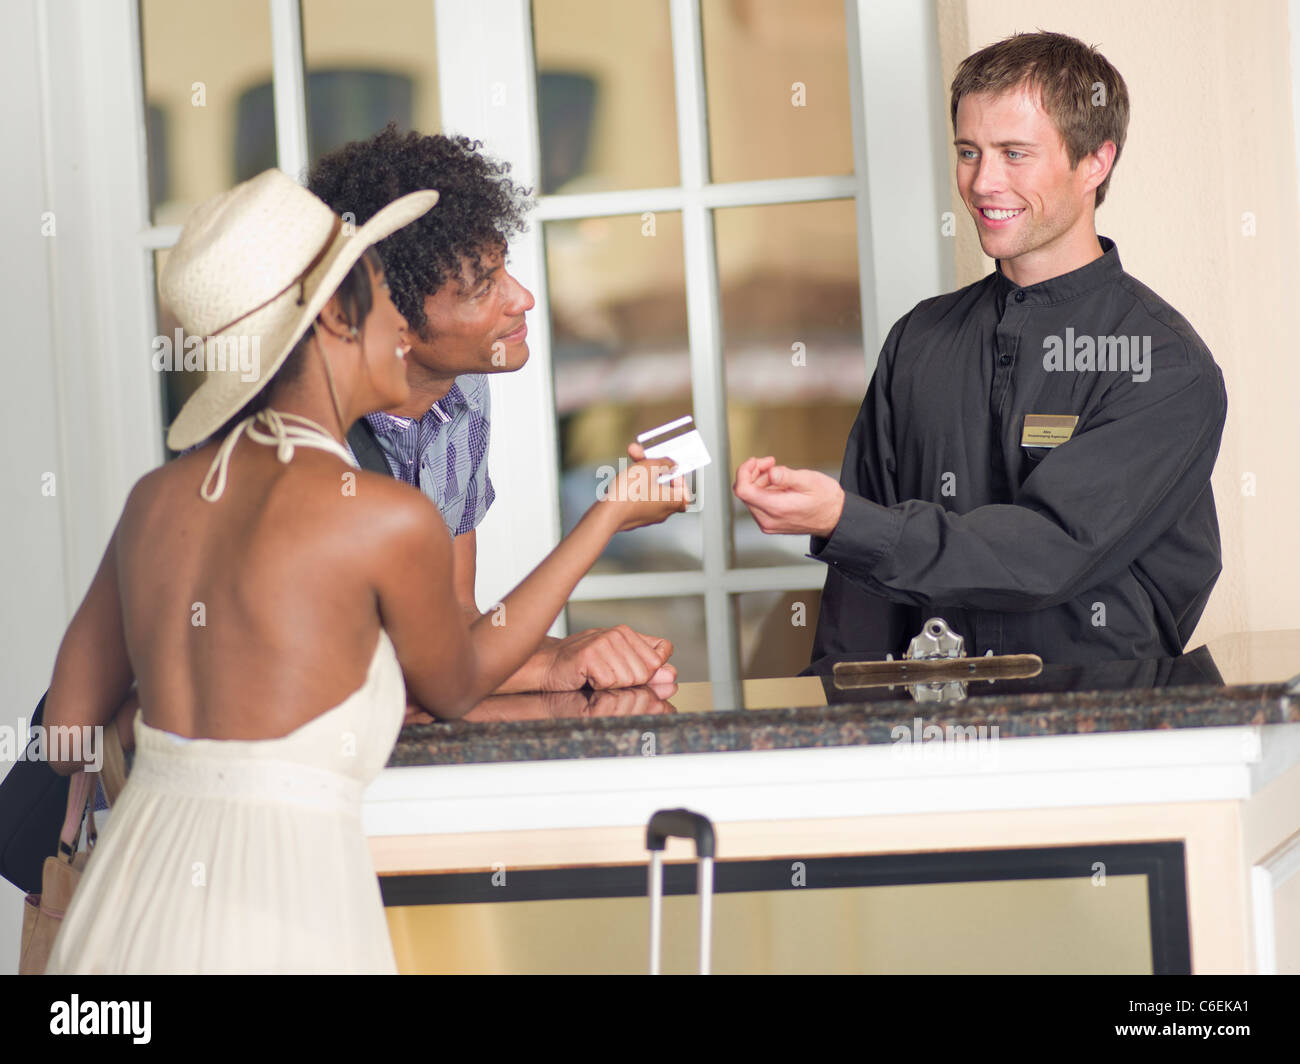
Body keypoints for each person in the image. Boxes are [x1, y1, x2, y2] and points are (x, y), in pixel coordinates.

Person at [41, 168, 686, 973]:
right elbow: (455, 680)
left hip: (122, 919)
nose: (400, 324)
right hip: (281, 916)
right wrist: (608, 517)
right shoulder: (381, 517)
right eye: (382, 293)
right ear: (337, 321)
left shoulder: (156, 499)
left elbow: (66, 727)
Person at [732, 31, 1227, 666]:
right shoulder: (920, 338)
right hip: (932, 732)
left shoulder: (1163, 363)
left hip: (1103, 740)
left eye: (1015, 153)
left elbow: (1047, 553)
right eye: (969, 152)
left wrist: (843, 521)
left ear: (1096, 162)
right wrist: (837, 713)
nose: (983, 182)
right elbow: (860, 596)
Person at [307, 125, 679, 694]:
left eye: (503, 267)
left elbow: (455, 620)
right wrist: (607, 520)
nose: (523, 298)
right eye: (483, 289)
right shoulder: (311, 449)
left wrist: (582, 650)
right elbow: (371, 669)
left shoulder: (463, 394)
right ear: (394, 322)